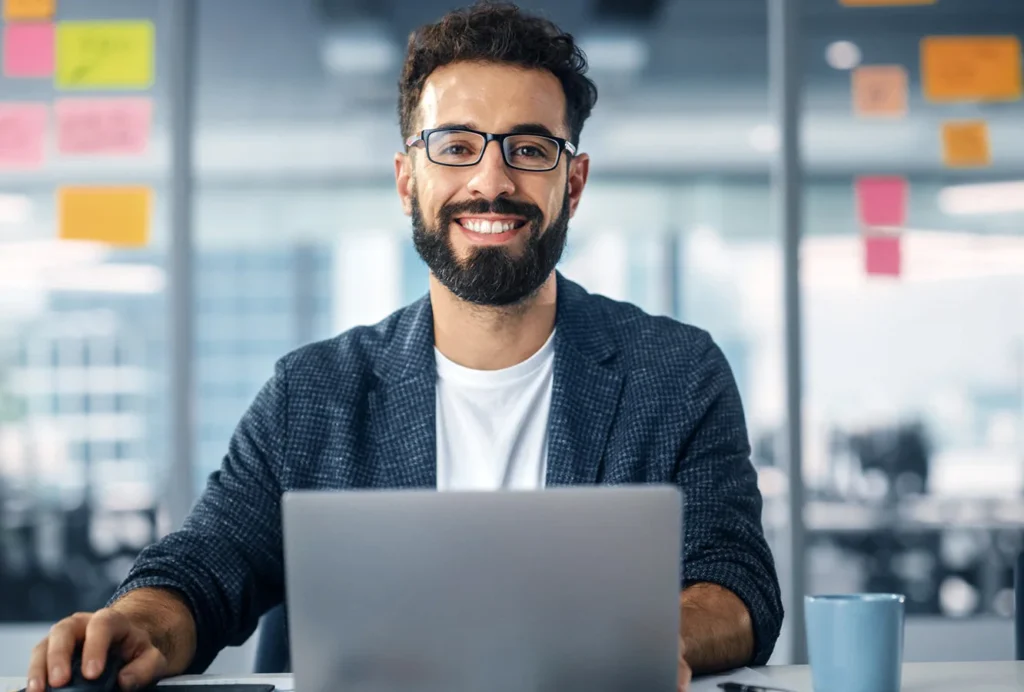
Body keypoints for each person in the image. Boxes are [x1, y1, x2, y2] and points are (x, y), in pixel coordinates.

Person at [27, 3, 783, 691]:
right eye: (456, 146)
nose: (491, 182)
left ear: (572, 182)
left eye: (527, 148)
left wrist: (645, 640)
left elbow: (738, 581)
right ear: (406, 178)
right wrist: (142, 622)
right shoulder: (313, 392)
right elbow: (207, 564)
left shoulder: (676, 373)